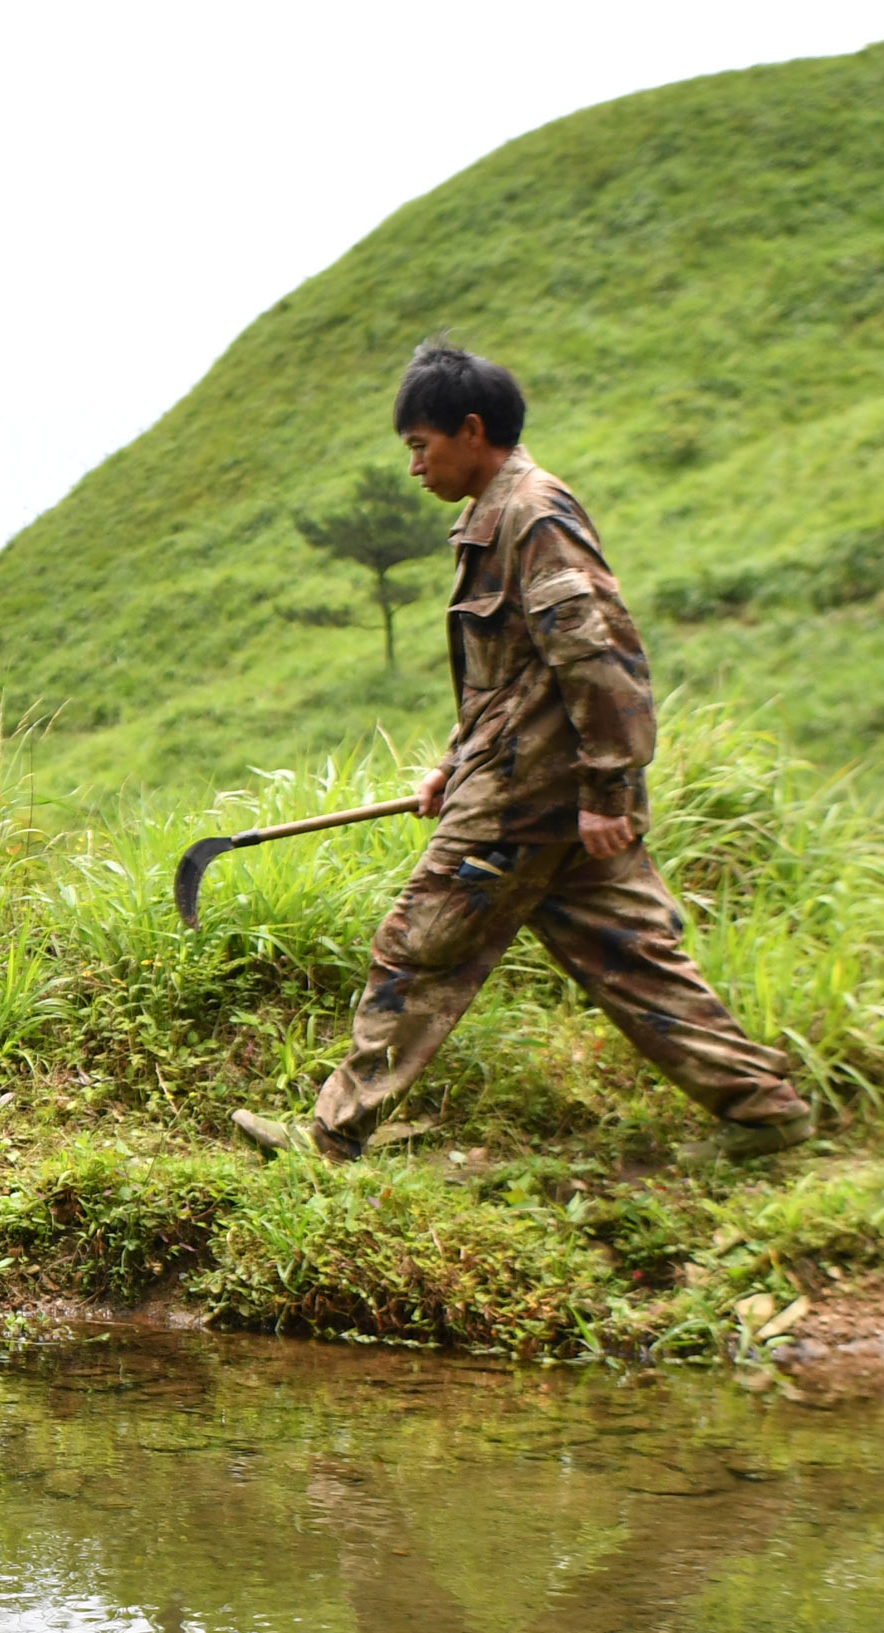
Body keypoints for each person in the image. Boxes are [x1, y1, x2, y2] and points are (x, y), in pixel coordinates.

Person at [240, 342, 813, 1167]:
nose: (414, 466)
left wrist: (609, 792)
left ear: (472, 432)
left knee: (416, 945)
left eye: (420, 446)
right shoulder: (499, 518)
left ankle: (330, 1138)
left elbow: (598, 656)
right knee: (633, 959)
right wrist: (454, 761)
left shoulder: (533, 516)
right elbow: (512, 674)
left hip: (528, 799)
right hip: (529, 785)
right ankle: (769, 1113)